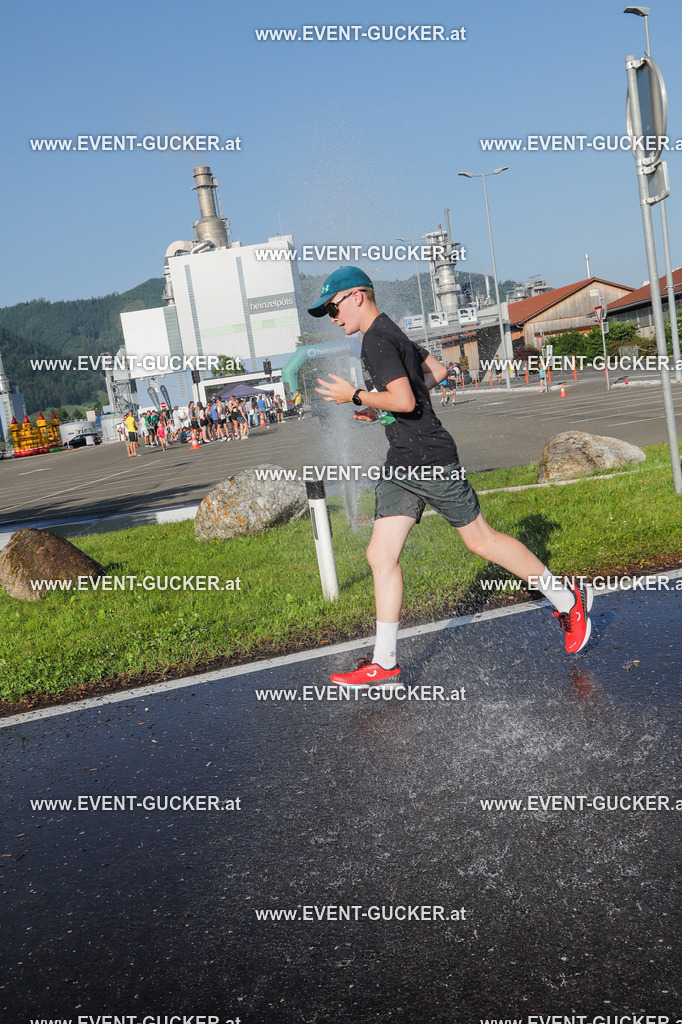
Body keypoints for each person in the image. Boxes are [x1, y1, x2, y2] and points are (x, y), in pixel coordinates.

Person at [310, 267, 594, 689]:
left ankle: (568, 601)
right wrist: (381, 408)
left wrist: (355, 395)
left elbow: (406, 397)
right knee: (380, 555)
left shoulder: (375, 340)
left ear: (355, 296)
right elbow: (437, 373)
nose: (332, 317)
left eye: (333, 307)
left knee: (481, 540)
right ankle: (384, 662)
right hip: (402, 462)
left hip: (429, 458)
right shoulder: (392, 331)